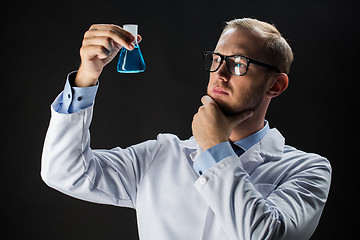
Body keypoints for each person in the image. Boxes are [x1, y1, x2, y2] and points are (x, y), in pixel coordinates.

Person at [41, 18, 332, 240]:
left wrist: (214, 146)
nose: (220, 73)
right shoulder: (159, 155)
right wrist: (86, 77)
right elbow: (64, 172)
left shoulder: (307, 169)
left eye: (239, 63)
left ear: (276, 85)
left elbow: (263, 234)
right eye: (216, 60)